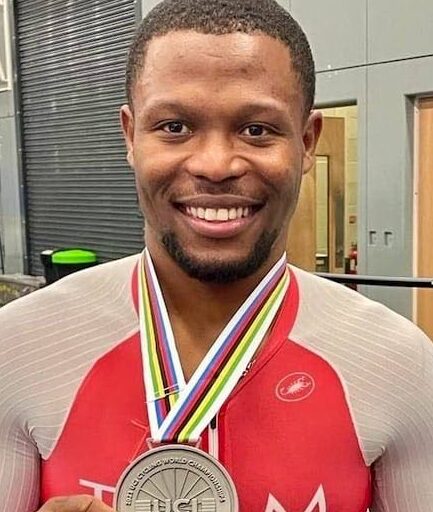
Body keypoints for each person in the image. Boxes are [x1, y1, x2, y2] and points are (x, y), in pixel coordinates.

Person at [1, 0, 433, 511]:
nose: (214, 165)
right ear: (130, 136)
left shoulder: (399, 362)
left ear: (306, 141)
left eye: (256, 129)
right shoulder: (20, 347)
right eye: (174, 127)